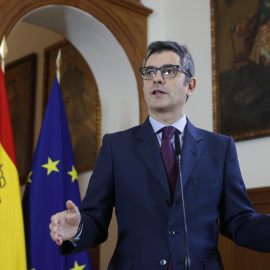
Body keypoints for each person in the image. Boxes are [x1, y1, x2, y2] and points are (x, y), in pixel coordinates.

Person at [50, 41, 270, 270]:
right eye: (149, 72)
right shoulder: (116, 147)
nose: (156, 78)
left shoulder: (220, 148)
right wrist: (77, 230)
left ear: (190, 85)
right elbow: (95, 219)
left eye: (168, 71)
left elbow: (239, 221)